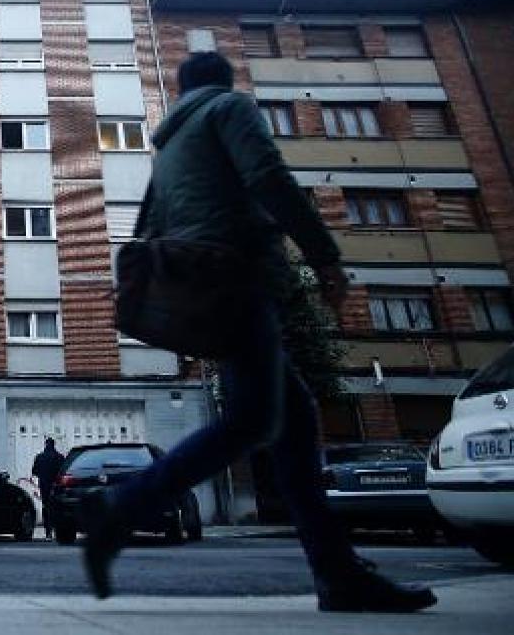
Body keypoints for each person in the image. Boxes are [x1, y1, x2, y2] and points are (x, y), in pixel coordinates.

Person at [81, 52, 436, 613]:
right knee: (250, 423)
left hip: (208, 289)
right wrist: (325, 257)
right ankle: (121, 509)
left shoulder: (170, 142)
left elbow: (157, 227)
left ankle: (337, 572)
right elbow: (268, 176)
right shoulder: (228, 108)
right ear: (223, 81)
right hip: (238, 278)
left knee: (294, 428)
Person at [32, 437, 66, 539]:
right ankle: (58, 531)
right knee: (57, 507)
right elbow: (64, 471)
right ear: (54, 445)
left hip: (44, 486)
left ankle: (48, 532)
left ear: (45, 445)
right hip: (57, 487)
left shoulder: (39, 457)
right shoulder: (60, 457)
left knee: (46, 507)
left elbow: (34, 471)